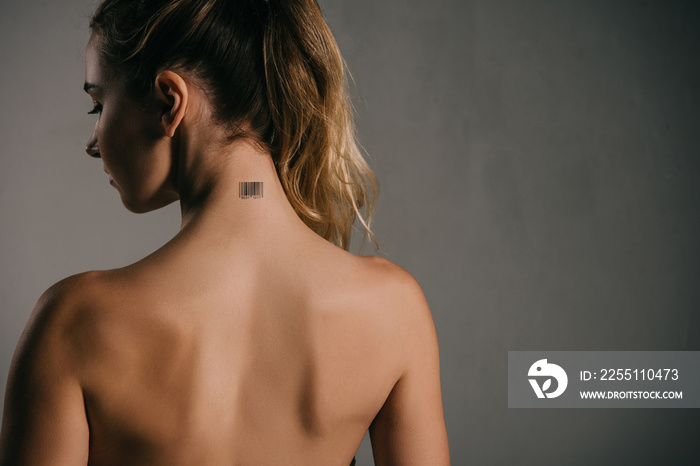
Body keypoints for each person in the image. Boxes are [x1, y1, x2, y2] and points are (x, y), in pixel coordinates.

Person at [0, 0, 450, 464]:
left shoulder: (74, 324)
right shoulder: (394, 309)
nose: (92, 142)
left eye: (98, 104)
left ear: (168, 101)